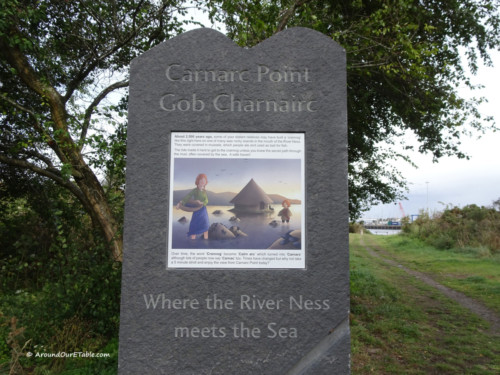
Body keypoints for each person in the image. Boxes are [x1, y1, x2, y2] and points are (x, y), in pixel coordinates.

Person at [176, 173, 209, 239]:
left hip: (203, 211)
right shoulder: (195, 190)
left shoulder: (204, 191)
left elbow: (206, 200)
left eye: (204, 180)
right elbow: (187, 197)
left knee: (205, 227)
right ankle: (192, 243)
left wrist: (203, 203)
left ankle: (206, 242)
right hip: (196, 210)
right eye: (201, 180)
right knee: (194, 227)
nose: (203, 181)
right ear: (198, 181)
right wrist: (180, 202)